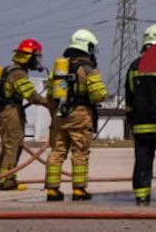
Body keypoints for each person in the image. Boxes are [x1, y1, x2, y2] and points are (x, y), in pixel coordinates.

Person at [43, 30, 109, 202]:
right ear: (88, 47)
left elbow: (51, 96)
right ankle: (79, 190)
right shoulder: (89, 70)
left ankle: (52, 190)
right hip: (80, 114)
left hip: (60, 115)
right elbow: (98, 96)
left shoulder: (59, 70)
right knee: (80, 152)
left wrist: (54, 116)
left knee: (57, 151)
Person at [0, 39, 51, 190]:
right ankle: (7, 180)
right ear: (29, 56)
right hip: (11, 112)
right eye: (37, 57)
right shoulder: (18, 73)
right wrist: (50, 103)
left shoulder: (11, 70)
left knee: (8, 146)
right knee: (13, 145)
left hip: (10, 111)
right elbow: (31, 96)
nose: (38, 61)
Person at [124, 23, 156, 207]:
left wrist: (131, 121)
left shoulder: (134, 66)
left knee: (142, 161)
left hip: (139, 126)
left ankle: (142, 196)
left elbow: (129, 96)